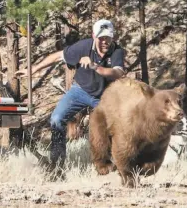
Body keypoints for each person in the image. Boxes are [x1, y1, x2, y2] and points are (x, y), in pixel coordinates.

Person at [15, 19, 125, 173]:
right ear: (94, 36)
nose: (105, 42)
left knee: (115, 127)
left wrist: (95, 67)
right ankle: (57, 164)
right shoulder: (83, 46)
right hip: (79, 91)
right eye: (101, 38)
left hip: (104, 96)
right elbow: (58, 56)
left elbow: (118, 72)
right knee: (57, 119)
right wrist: (33, 69)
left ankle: (115, 164)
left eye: (108, 37)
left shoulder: (117, 51)